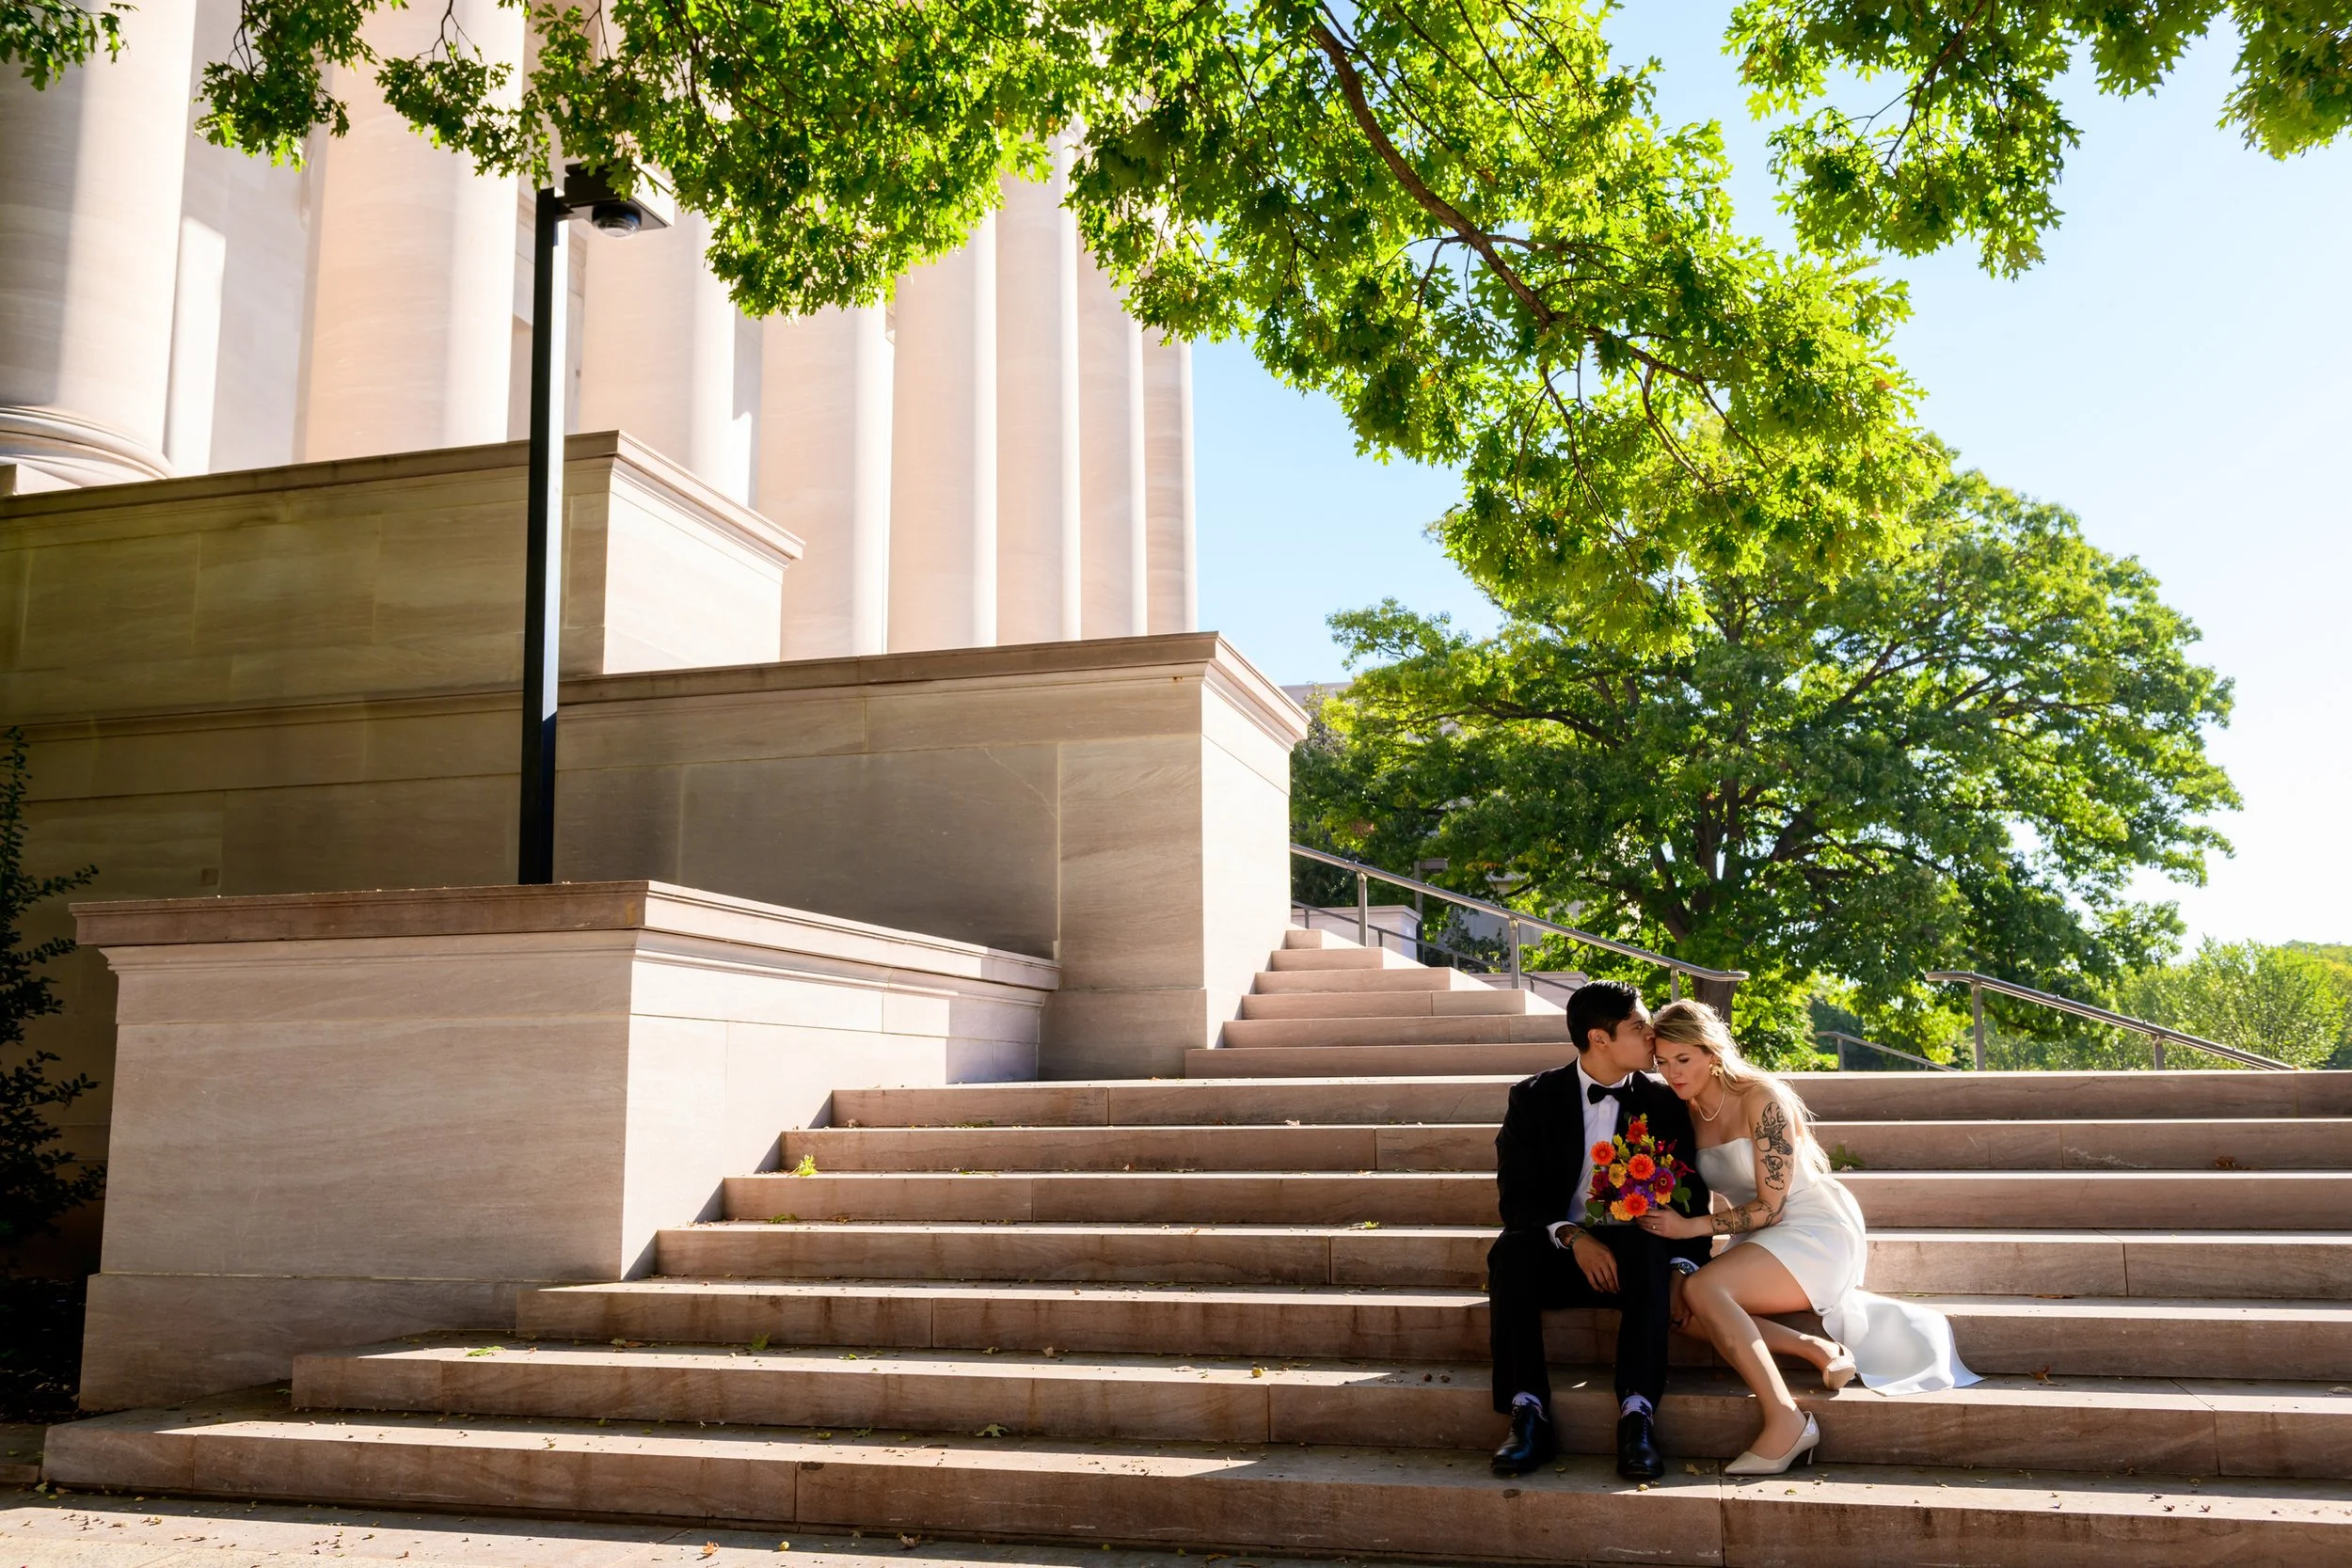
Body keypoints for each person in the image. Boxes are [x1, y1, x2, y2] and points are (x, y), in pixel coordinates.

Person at [1635, 999, 1979, 1475]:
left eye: (1683, 1060)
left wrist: (1691, 1229)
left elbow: (1771, 1206)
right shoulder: (1685, 1110)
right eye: (1663, 1063)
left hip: (1811, 1227)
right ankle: (1813, 1347)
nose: (1672, 1073)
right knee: (1682, 1309)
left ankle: (1786, 1419)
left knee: (1702, 1289)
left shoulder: (1760, 1097)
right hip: (1754, 1234)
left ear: (1711, 1052)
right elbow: (1717, 1198)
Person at [1487, 980, 1712, 1481]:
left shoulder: (1664, 1104)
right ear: (1600, 1038)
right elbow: (1516, 1200)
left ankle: (1637, 1416)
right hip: (1560, 1251)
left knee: (1652, 1248)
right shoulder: (1531, 1098)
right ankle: (1528, 1414)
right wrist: (1575, 1237)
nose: (1652, 1034)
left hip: (1638, 1259)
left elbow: (1693, 1199)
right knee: (1509, 1255)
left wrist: (1684, 1269)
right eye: (1638, 1026)